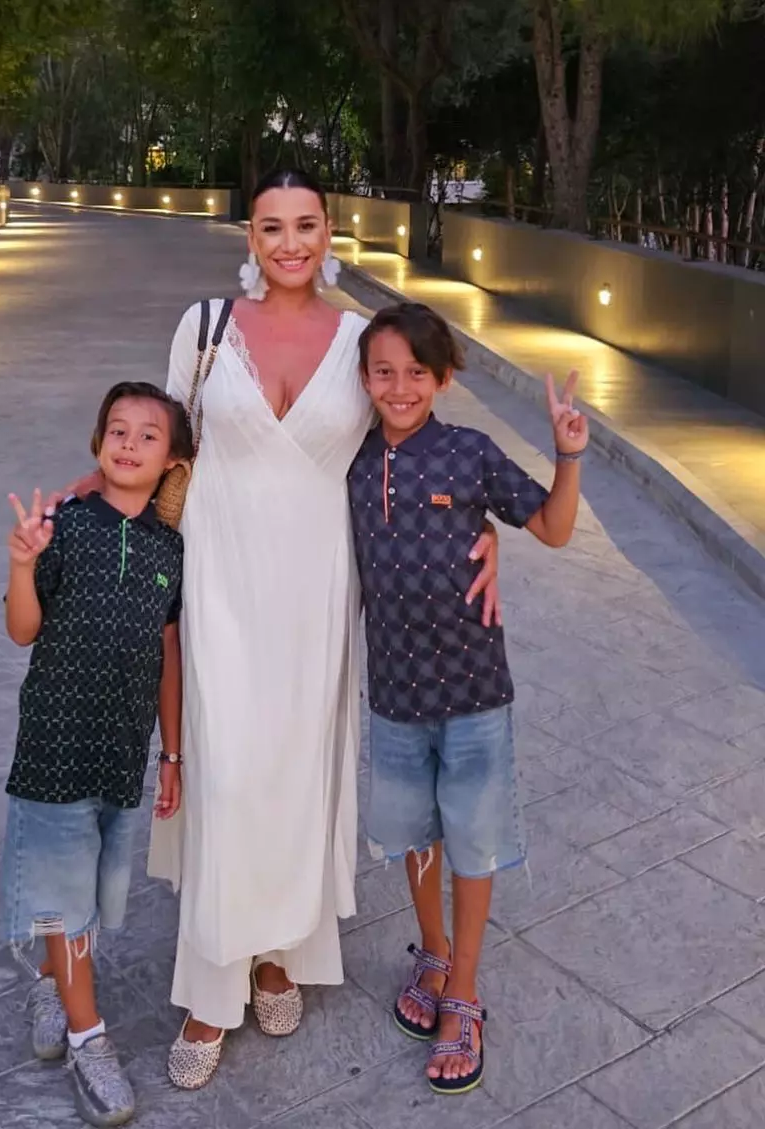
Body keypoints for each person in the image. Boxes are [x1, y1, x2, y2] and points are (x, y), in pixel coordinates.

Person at [53, 169, 500, 1090]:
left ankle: (278, 955)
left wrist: (482, 527)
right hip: (219, 574)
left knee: (298, 773)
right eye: (270, 227)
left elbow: (413, 436)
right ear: (250, 237)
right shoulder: (205, 326)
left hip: (320, 585)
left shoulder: (361, 339)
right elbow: (161, 442)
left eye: (305, 225)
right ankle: (212, 987)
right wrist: (85, 497)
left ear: (328, 232)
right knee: (228, 773)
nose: (289, 243)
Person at [348, 302, 588, 1095]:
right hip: (395, 692)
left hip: (474, 689)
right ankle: (433, 951)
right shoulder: (350, 463)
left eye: (417, 372)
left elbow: (552, 526)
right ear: (363, 379)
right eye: (384, 372)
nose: (400, 387)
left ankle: (465, 988)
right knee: (415, 834)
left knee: (474, 841)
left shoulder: (469, 453)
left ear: (444, 377)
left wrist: (567, 454)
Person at [1, 381, 191, 1126]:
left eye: (149, 435)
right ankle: (89, 1037)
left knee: (87, 889)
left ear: (172, 460)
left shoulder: (169, 549)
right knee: (65, 890)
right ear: (97, 443)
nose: (129, 444)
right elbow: (23, 630)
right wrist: (23, 564)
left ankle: (51, 984)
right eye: (118, 429)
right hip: (54, 741)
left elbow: (168, 654)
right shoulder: (66, 525)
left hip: (121, 749)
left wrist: (171, 754)